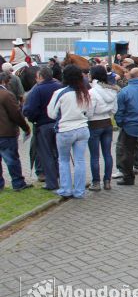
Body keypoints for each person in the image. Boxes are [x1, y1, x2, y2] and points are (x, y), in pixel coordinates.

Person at [47, 65, 91, 199]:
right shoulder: (84, 92)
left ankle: (66, 189)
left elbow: (51, 114)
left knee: (64, 160)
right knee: (80, 160)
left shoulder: (60, 93)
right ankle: (79, 191)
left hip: (65, 130)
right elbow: (88, 112)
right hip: (82, 129)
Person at [21, 67, 62, 190]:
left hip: (43, 125)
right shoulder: (59, 86)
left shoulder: (37, 89)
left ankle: (52, 183)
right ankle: (60, 177)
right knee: (57, 153)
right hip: (59, 124)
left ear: (40, 77)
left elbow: (29, 110)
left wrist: (33, 119)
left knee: (47, 154)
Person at [87, 65, 119, 191]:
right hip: (107, 123)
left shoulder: (92, 92)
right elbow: (115, 109)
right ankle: (107, 181)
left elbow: (89, 112)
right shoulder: (111, 90)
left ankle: (96, 182)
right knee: (107, 154)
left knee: (95, 155)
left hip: (94, 124)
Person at [115, 68, 138, 186]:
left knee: (126, 153)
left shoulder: (124, 92)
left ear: (130, 77)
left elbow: (119, 111)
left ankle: (128, 177)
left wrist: (120, 123)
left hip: (130, 127)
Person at [0, 72, 32, 192]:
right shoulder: (6, 95)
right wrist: (26, 127)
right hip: (6, 133)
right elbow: (16, 114)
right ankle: (18, 183)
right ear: (4, 82)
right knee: (12, 159)